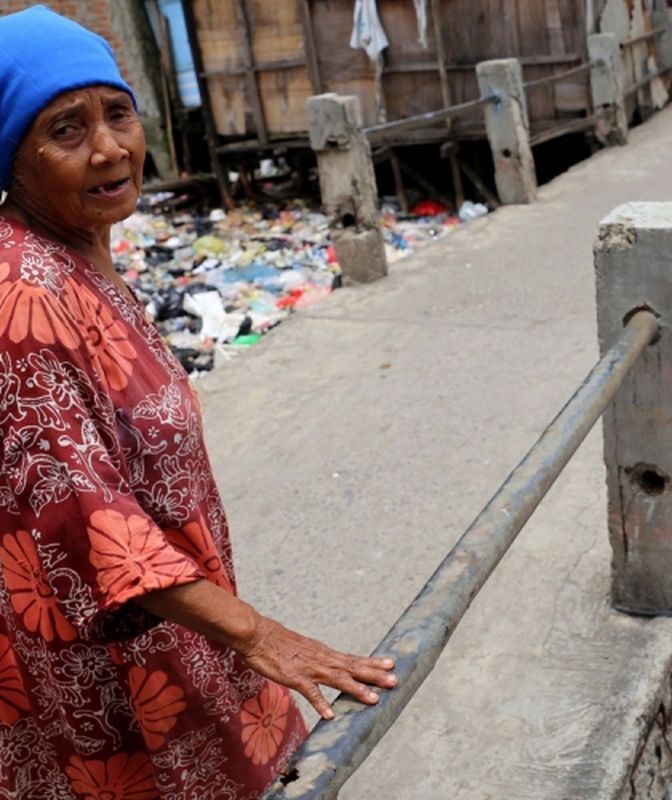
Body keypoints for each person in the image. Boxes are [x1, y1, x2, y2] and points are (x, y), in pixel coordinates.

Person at [0, 6, 396, 798]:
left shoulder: (79, 254)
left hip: (179, 627)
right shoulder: (24, 293)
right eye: (66, 130)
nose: (110, 147)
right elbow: (83, 517)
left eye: (118, 113)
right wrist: (260, 636)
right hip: (116, 669)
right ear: (11, 156)